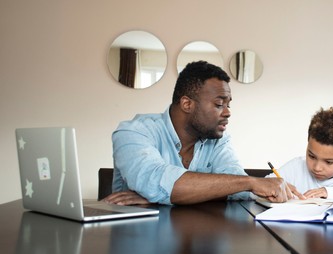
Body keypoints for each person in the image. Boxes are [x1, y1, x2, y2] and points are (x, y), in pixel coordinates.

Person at [103, 61, 303, 205]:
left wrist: (160, 196)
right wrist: (249, 182)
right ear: (187, 104)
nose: (228, 112)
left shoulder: (217, 140)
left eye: (228, 104)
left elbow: (237, 190)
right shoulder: (134, 132)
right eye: (219, 104)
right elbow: (156, 181)